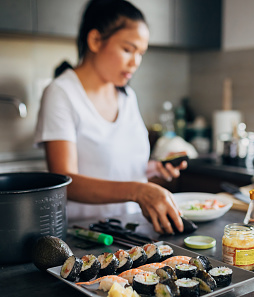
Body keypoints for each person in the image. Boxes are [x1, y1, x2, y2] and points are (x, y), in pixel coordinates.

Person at [34, 0, 187, 234]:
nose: (135, 62)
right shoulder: (61, 93)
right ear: (95, 40)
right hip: (86, 236)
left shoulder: (127, 97)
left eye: (141, 53)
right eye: (128, 49)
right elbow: (65, 182)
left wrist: (152, 169)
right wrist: (138, 190)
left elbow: (116, 166)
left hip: (134, 231)